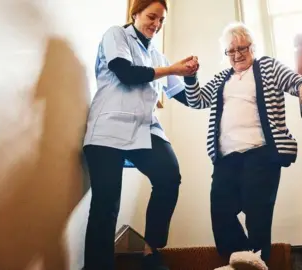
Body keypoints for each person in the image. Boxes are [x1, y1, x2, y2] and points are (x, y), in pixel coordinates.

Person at [183, 23, 302, 270]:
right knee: (221, 210)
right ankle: (246, 260)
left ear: (252, 47)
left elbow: (289, 78)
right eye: (231, 51)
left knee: (257, 212)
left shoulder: (266, 66)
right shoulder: (222, 78)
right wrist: (190, 77)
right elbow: (197, 100)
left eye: (242, 48)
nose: (237, 54)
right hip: (227, 156)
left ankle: (256, 259)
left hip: (261, 152)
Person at [82, 0, 197, 269]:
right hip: (108, 130)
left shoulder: (157, 55)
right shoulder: (116, 35)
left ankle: (151, 248)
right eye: (151, 17)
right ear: (136, 13)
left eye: (161, 21)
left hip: (144, 128)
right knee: (106, 204)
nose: (156, 25)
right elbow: (125, 72)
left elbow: (188, 98)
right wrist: (173, 69)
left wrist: (191, 75)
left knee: (169, 175)